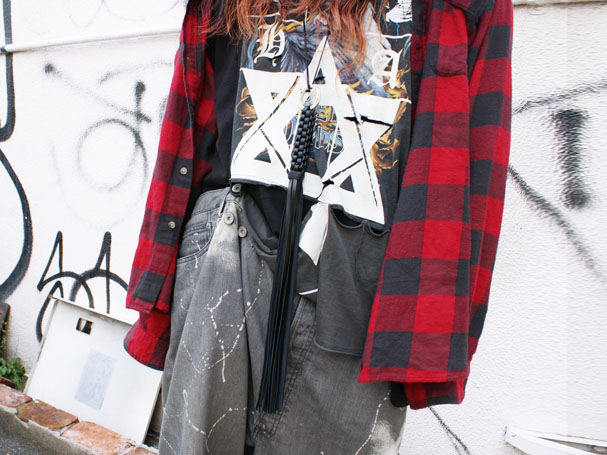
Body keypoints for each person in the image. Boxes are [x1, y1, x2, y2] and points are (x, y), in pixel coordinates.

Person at [123, 0, 513, 452]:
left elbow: (477, 161)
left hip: (356, 279)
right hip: (225, 246)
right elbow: (197, 105)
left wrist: (434, 328)